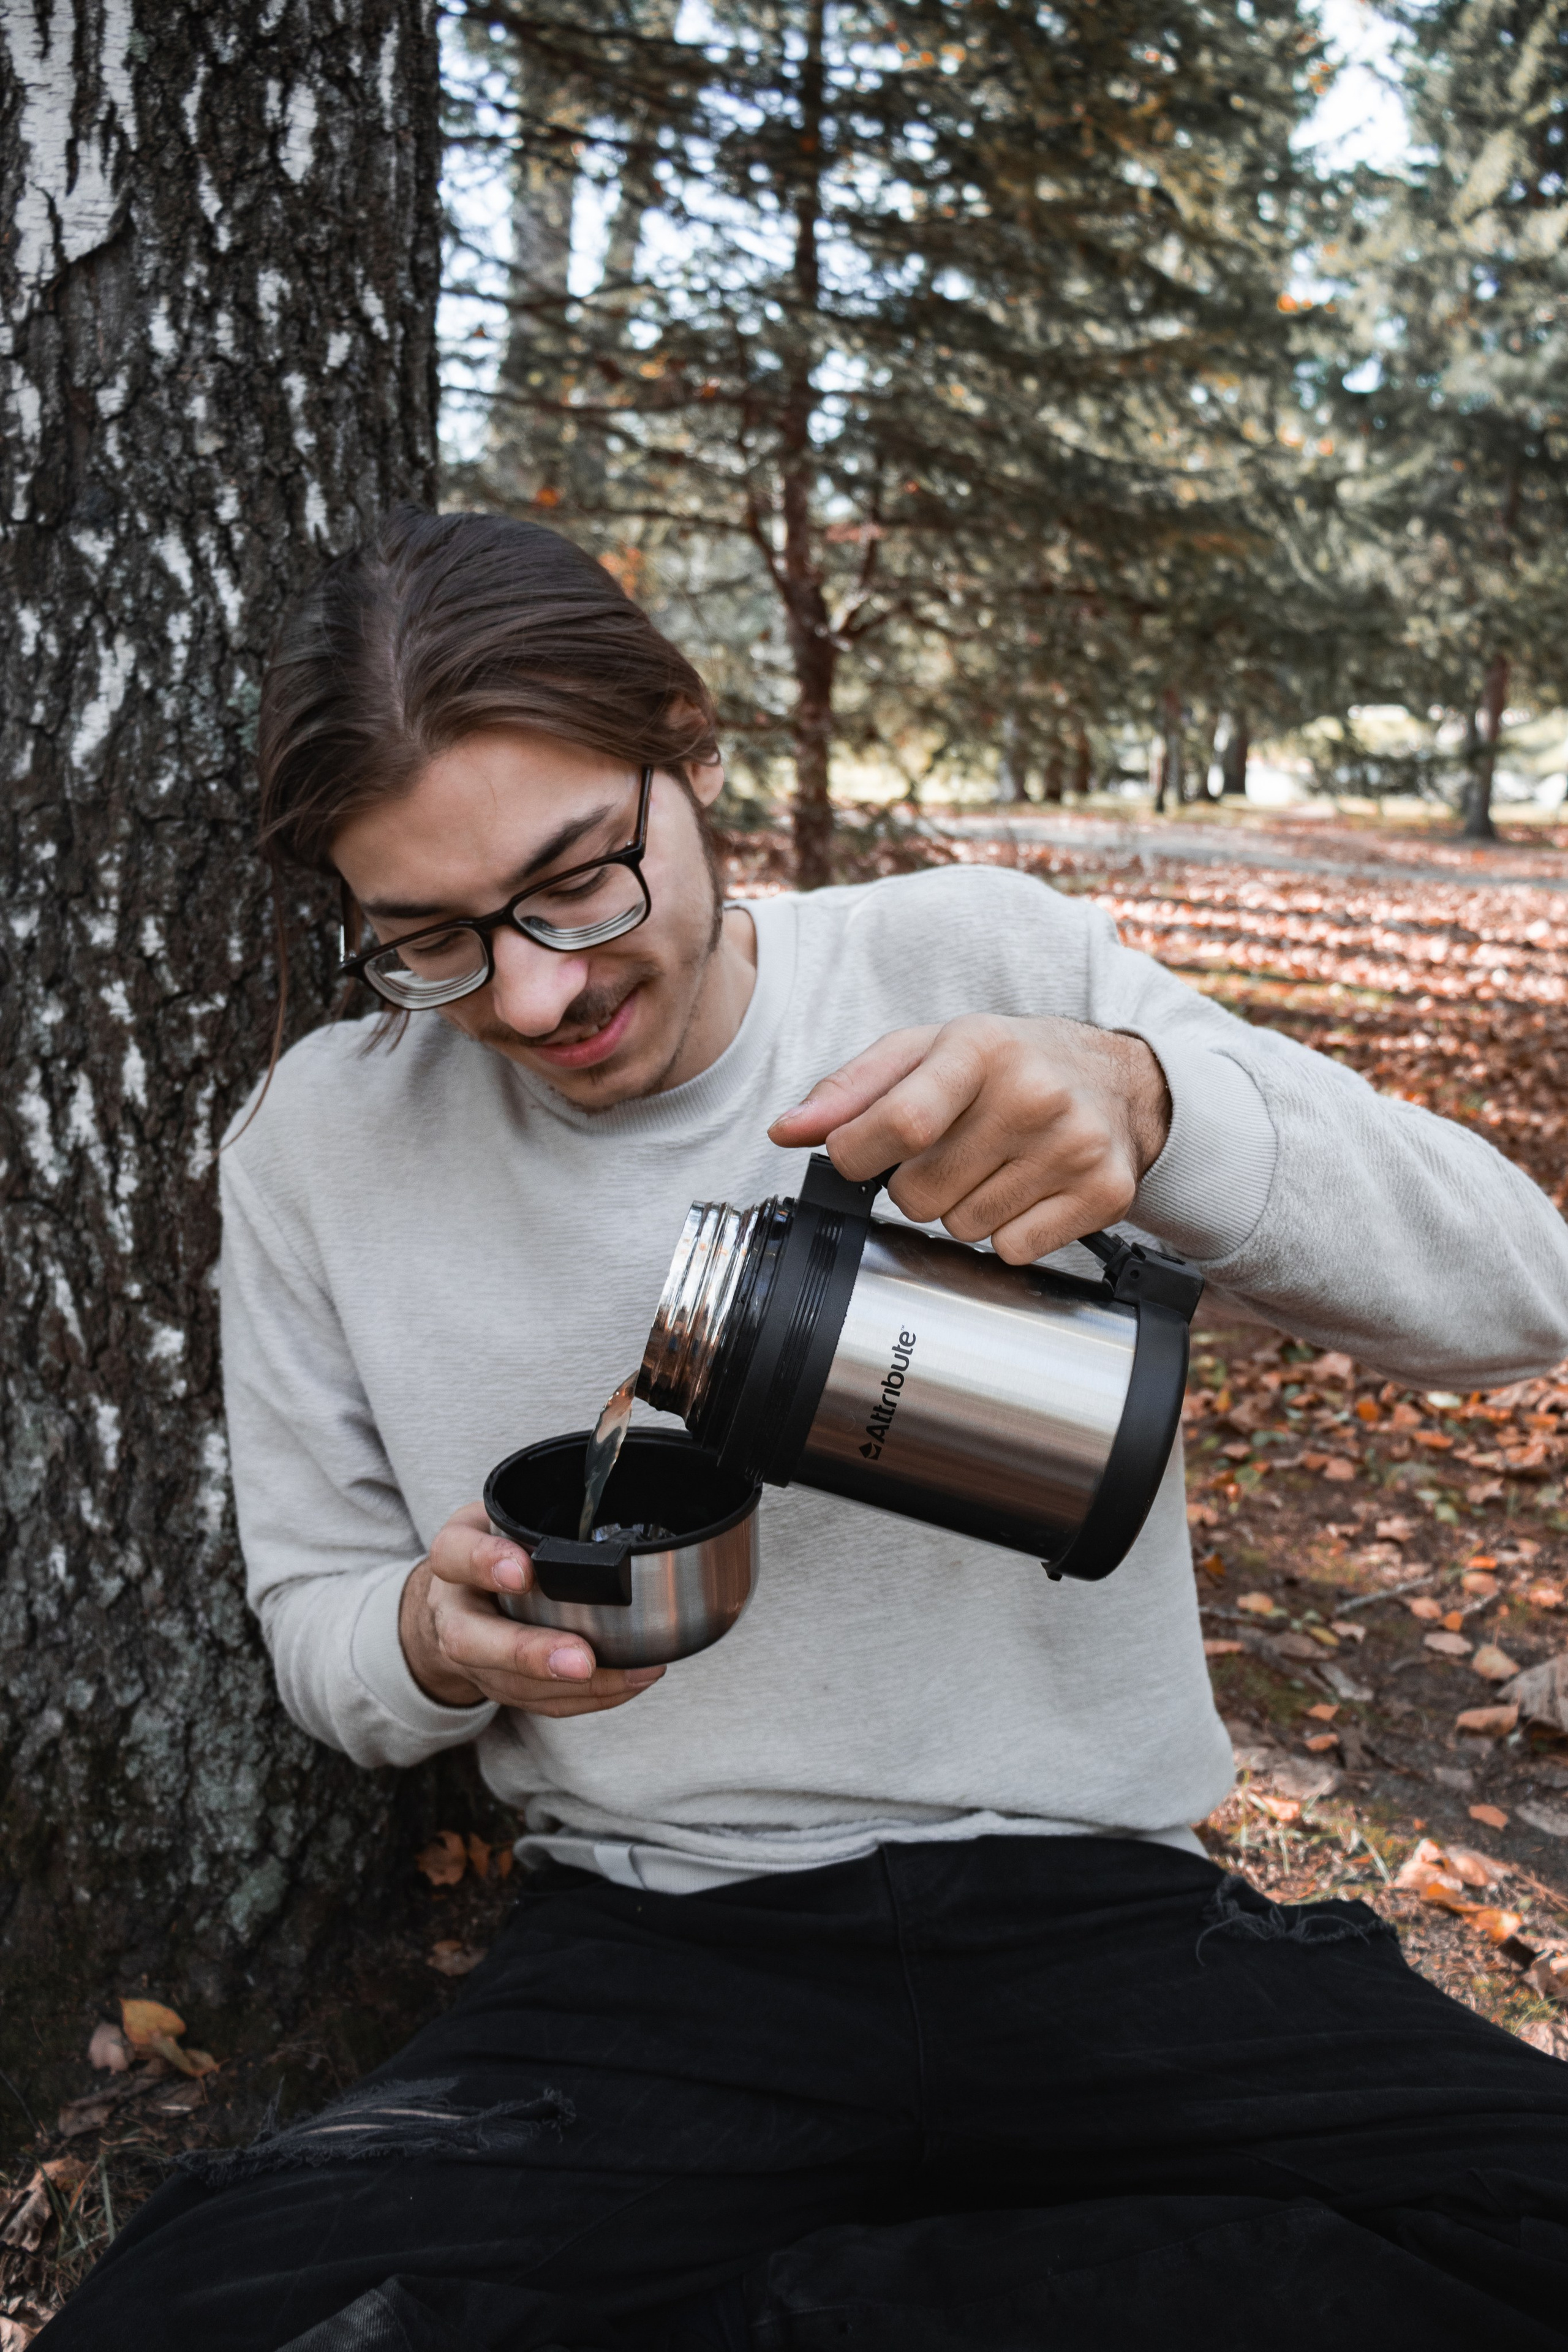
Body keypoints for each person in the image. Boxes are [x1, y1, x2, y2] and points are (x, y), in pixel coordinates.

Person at [45, 508, 1568, 2352]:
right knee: (189, 2317)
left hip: (1103, 1919)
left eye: (577, 881)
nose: (534, 993)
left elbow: (1519, 1298)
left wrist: (1164, 1111)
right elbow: (319, 1625)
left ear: (689, 756)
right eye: (430, 942)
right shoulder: (324, 1144)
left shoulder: (978, 963)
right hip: (663, 1957)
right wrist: (437, 1642)